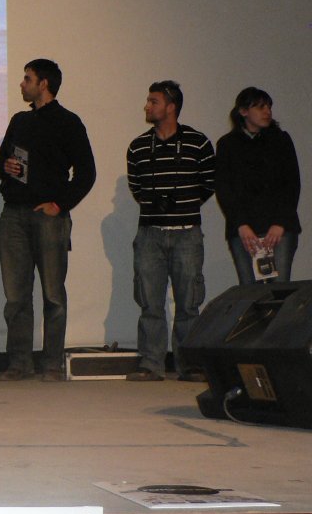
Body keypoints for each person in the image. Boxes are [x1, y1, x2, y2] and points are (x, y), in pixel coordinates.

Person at [0, 59, 95, 381]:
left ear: (44, 84)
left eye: (27, 79)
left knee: (53, 295)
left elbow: (87, 173)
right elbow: (2, 159)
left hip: (49, 218)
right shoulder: (20, 120)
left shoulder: (68, 122)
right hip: (13, 214)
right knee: (16, 297)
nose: (21, 84)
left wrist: (60, 204)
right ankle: (19, 362)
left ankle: (52, 363)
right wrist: (6, 166)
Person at [126, 80, 215, 382]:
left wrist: (183, 205)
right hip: (149, 233)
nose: (147, 106)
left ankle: (188, 365)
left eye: (153, 101)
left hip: (187, 233)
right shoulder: (138, 146)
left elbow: (208, 184)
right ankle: (151, 364)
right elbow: (137, 188)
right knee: (149, 303)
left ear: (171, 107)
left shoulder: (198, 143)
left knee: (189, 303)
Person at [215, 87, 300, 284]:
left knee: (279, 289)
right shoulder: (227, 144)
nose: (267, 112)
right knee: (249, 291)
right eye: (260, 107)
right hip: (244, 229)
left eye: (269, 107)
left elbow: (292, 184)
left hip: (279, 228)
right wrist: (241, 224)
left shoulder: (280, 140)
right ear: (243, 111)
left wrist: (280, 222)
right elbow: (224, 188)